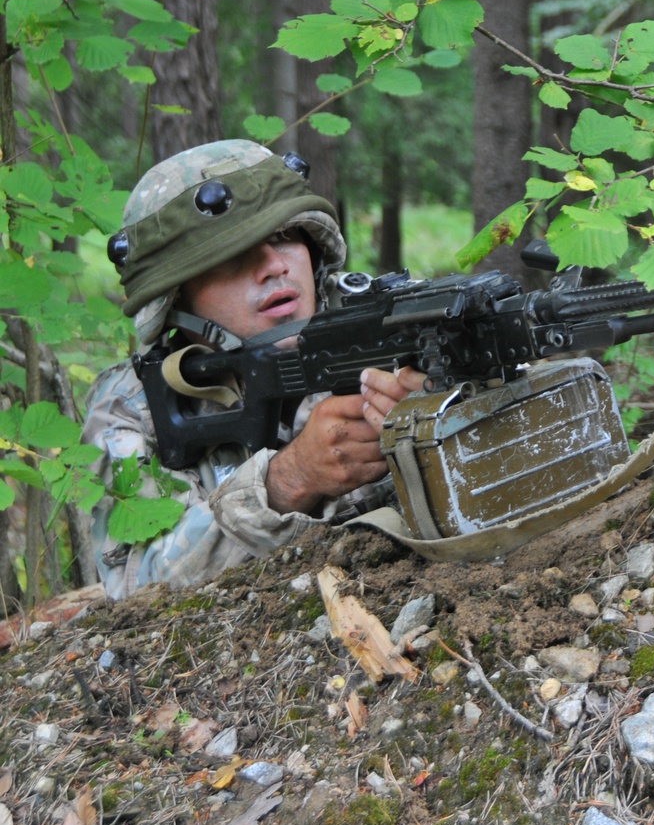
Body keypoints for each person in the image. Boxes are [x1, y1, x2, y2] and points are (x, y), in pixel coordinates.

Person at [83, 140, 424, 599]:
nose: (273, 265)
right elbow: (135, 582)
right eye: (230, 255)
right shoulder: (130, 408)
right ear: (175, 300)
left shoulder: (397, 327)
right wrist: (289, 480)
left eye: (284, 236)